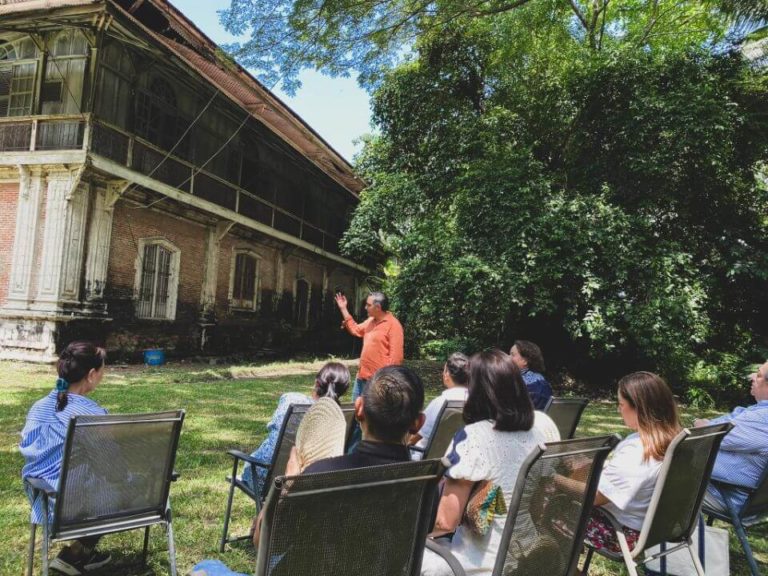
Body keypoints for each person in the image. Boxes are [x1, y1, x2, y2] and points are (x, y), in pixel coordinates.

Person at [420, 349, 548, 576]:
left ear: (477, 392)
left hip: (476, 562)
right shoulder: (539, 435)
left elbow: (446, 522)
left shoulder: (473, 438)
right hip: (527, 556)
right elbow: (538, 503)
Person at [20, 341, 112, 576]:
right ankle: (76, 553)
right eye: (103, 370)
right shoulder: (91, 413)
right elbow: (112, 464)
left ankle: (77, 554)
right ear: (91, 375)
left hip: (44, 500)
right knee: (124, 486)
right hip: (78, 506)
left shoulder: (38, 407)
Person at [580, 371, 681, 555]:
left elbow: (593, 497)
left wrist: (556, 480)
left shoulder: (639, 450)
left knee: (551, 505)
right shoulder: (674, 441)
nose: (619, 410)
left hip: (621, 533)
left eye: (621, 404)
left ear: (639, 408)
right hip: (651, 529)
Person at [242, 362, 350, 495]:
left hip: (268, 482)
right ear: (343, 391)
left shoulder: (291, 400)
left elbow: (273, 432)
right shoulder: (341, 415)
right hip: (309, 486)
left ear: (316, 383)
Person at [302, 365, 425, 474]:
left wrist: (291, 483)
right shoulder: (425, 480)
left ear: (359, 408)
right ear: (418, 423)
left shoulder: (319, 473)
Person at [696, 360, 768, 514]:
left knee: (652, 471)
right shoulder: (757, 412)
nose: (752, 376)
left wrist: (701, 424)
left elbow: (707, 435)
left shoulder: (761, 418)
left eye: (759, 375)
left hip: (723, 494)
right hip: (739, 494)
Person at [334, 290, 404, 402]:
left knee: (372, 417)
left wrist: (384, 382)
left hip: (378, 382)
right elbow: (355, 329)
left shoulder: (394, 325)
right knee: (356, 413)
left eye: (368, 305)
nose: (365, 307)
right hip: (361, 378)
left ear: (378, 307)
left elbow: (396, 359)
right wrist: (343, 308)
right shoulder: (371, 321)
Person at [410, 352, 470, 456]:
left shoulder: (440, 402)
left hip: (427, 461)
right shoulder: (476, 402)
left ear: (447, 375)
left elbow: (415, 437)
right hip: (458, 459)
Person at [509, 340, 553, 410]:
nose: (508, 357)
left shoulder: (537, 386)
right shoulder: (515, 378)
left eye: (512, 354)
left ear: (525, 361)